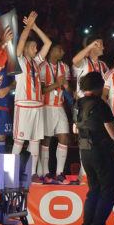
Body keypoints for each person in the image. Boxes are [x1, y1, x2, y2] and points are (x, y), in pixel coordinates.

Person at [76, 70, 114, 225]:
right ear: (98, 86)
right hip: (100, 151)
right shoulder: (100, 105)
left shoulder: (78, 104)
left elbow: (75, 128)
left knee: (93, 190)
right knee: (108, 190)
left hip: (84, 150)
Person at [11, 11, 51, 181]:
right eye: (33, 47)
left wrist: (35, 27)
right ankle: (11, 174)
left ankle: (31, 173)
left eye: (36, 47)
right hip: (23, 105)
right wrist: (28, 28)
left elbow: (48, 43)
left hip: (37, 106)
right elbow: (21, 42)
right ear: (26, 49)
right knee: (19, 142)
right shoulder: (20, 61)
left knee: (35, 142)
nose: (36, 49)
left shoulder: (36, 63)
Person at [40, 42, 72, 182]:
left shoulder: (64, 67)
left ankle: (60, 173)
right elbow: (41, 90)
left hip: (59, 106)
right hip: (46, 106)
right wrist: (56, 84)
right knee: (46, 139)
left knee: (64, 137)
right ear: (51, 51)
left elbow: (68, 89)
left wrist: (66, 87)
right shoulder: (42, 66)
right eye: (60, 49)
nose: (63, 52)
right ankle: (45, 173)